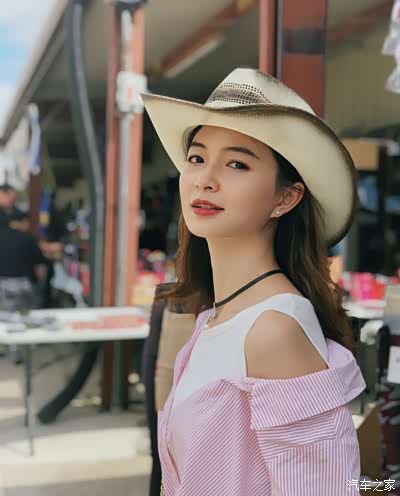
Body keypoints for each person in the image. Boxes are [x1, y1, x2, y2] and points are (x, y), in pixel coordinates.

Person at [141, 67, 366, 496]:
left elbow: (334, 487)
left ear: (286, 197)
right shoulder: (216, 317)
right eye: (197, 158)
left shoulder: (272, 330)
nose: (205, 179)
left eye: (237, 164)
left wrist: (386, 485)